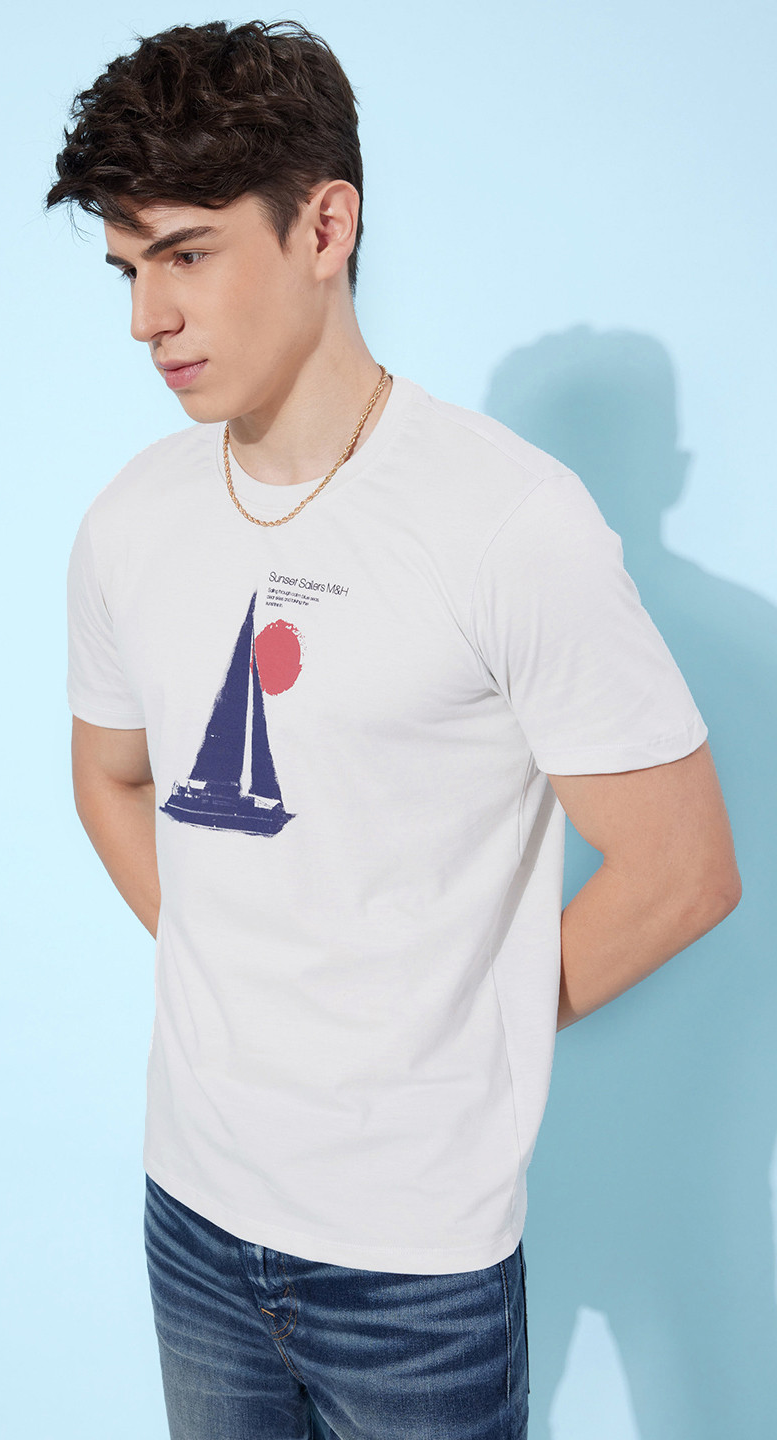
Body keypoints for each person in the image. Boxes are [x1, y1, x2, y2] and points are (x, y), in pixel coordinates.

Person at [46, 19, 742, 1440]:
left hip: (412, 1265)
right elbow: (108, 778)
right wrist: (242, 961)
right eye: (128, 270)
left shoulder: (510, 524)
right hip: (193, 1211)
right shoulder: (132, 518)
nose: (145, 319)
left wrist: (448, 1027)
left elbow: (685, 872)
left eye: (186, 255)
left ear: (325, 225)